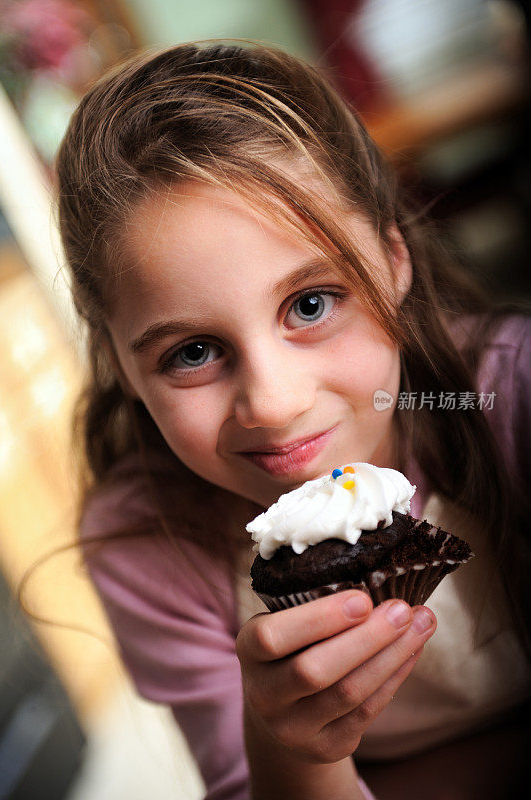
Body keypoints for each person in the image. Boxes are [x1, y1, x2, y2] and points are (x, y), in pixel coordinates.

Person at [55, 40, 531, 800]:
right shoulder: (152, 549)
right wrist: (301, 757)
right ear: (121, 368)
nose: (275, 404)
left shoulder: (505, 397)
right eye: (193, 351)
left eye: (311, 304)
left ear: (394, 257)